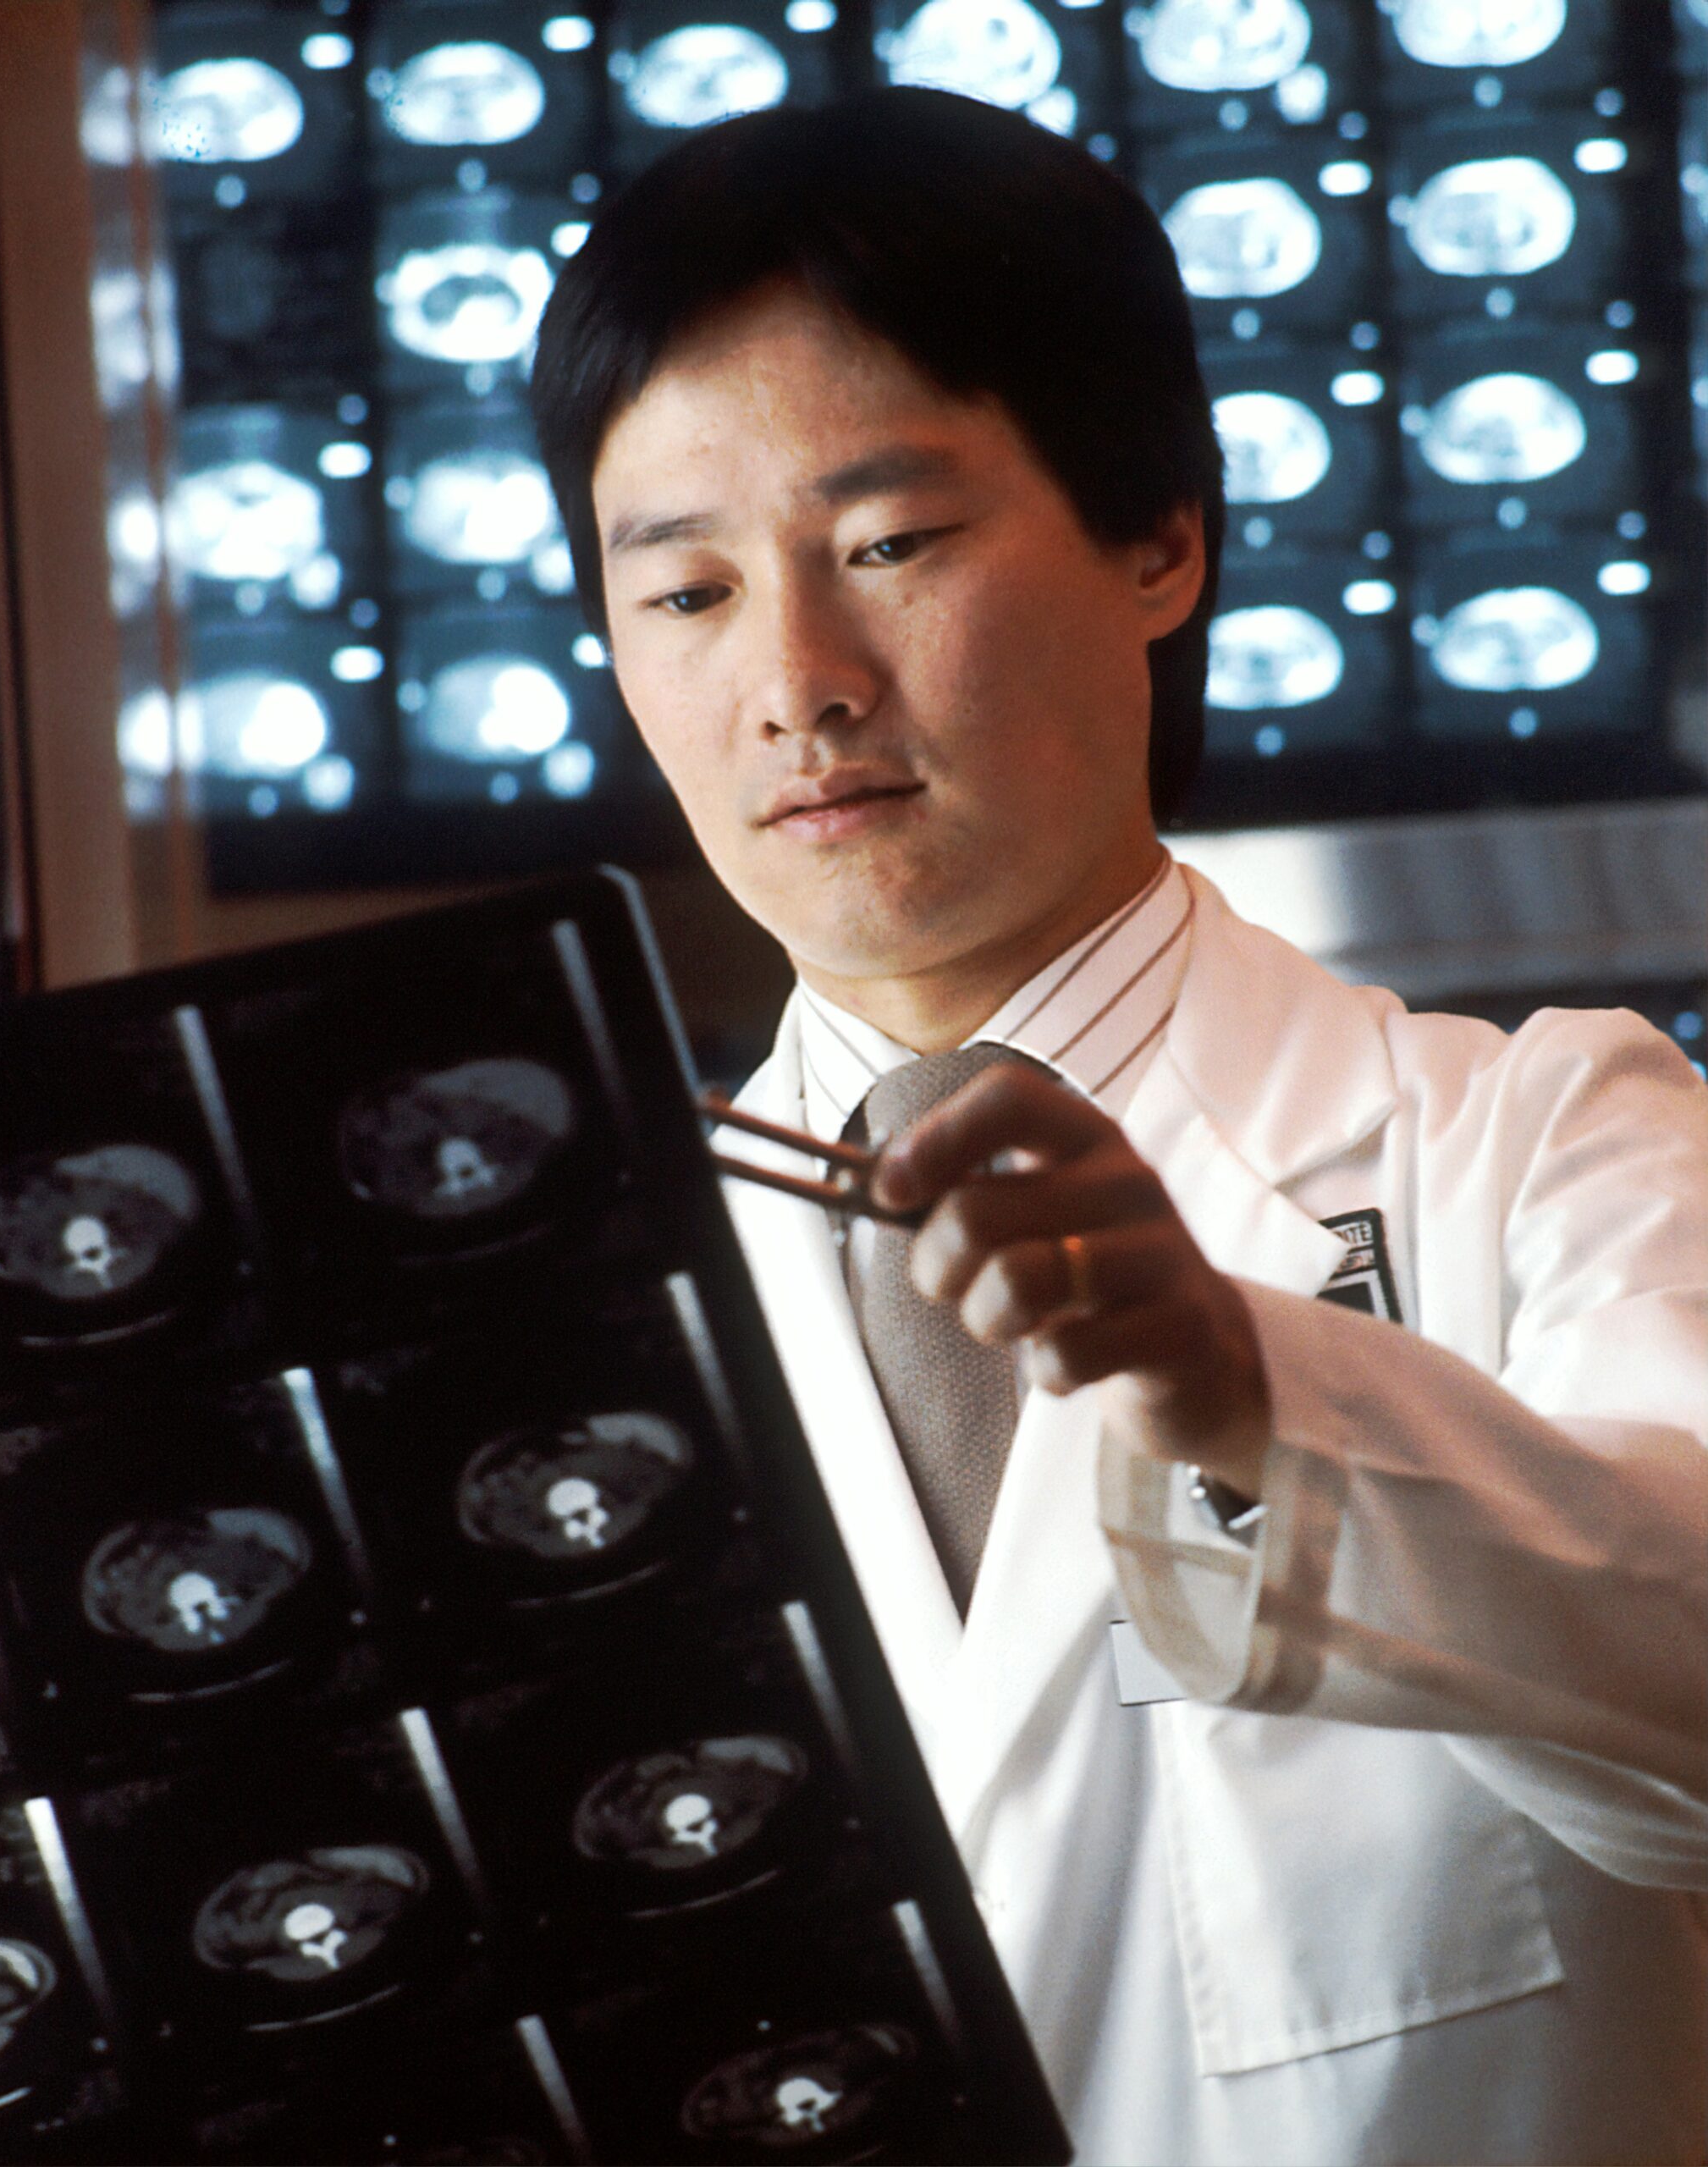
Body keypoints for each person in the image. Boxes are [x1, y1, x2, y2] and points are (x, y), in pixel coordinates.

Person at [530, 89, 1708, 2165]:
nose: (797, 682)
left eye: (888, 544)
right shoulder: (586, 1324)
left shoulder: (1541, 1144)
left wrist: (1249, 1383)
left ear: (1160, 535)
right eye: (688, 594)